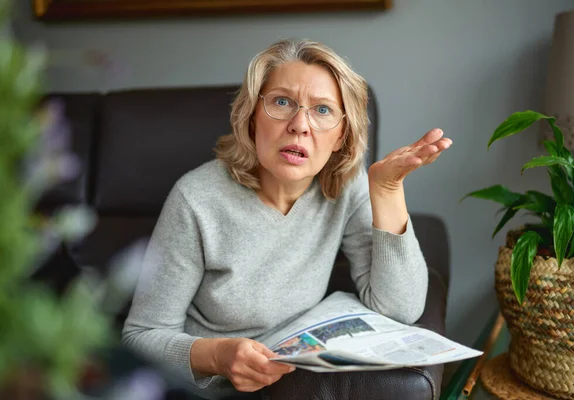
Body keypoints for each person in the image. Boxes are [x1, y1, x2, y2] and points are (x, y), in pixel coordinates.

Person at [122, 38, 452, 400]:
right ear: (251, 116)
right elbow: (141, 337)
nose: (299, 125)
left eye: (323, 110)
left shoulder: (347, 186)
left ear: (341, 134)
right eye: (282, 102)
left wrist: (386, 190)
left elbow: (401, 309)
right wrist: (218, 356)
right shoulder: (195, 199)